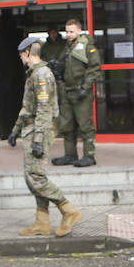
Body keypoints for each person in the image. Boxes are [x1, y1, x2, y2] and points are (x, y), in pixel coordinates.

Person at [7, 35, 82, 237]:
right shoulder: (34, 73)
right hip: (32, 129)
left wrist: (39, 139)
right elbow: (27, 107)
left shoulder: (42, 74)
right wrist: (15, 130)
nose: (20, 58)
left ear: (26, 53)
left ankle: (69, 211)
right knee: (33, 175)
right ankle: (42, 222)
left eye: (21, 55)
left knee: (35, 177)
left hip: (39, 130)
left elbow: (44, 109)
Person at [53, 17, 103, 167]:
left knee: (85, 125)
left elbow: (94, 68)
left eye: (71, 31)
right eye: (67, 31)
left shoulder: (88, 47)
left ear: (79, 31)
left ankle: (89, 155)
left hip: (81, 92)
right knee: (67, 125)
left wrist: (85, 87)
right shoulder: (68, 47)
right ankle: (70, 154)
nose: (68, 34)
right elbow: (63, 64)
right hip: (67, 91)